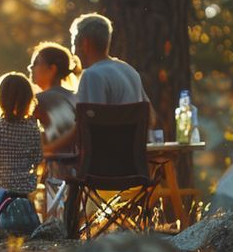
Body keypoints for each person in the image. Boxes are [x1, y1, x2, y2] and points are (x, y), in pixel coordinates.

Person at [45, 12, 153, 154]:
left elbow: (84, 129)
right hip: (135, 163)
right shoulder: (129, 71)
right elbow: (151, 116)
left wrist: (47, 150)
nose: (74, 53)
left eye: (73, 44)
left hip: (102, 166)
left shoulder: (92, 76)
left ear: (85, 43)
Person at [28, 42, 79, 157]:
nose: (30, 68)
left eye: (36, 63)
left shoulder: (38, 101)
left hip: (57, 167)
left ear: (52, 69)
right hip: (77, 165)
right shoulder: (75, 97)